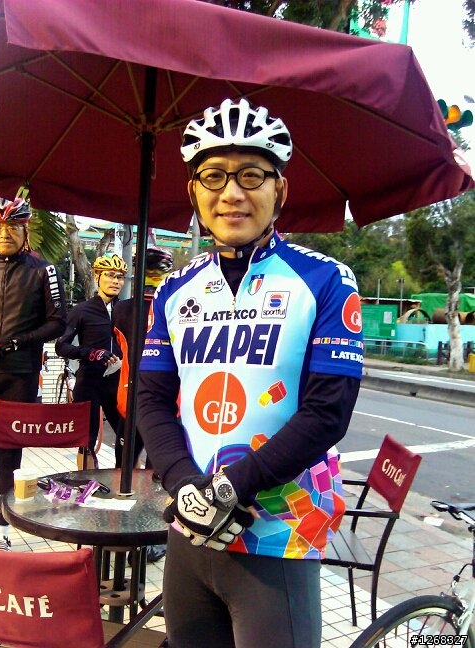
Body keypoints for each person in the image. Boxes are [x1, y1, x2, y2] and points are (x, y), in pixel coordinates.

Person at [136, 97, 364, 648]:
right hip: (190, 526)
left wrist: (233, 486)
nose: (232, 193)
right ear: (193, 191)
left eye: (251, 175)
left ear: (280, 190)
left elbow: (327, 413)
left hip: (278, 533)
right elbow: (150, 398)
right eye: (213, 176)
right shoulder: (174, 288)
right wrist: (184, 484)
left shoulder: (326, 280)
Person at [0, 197, 66, 551]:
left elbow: (58, 322)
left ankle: (1, 530)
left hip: (19, 372)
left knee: (9, 454)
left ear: (25, 230)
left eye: (12, 227)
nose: (4, 234)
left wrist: (21, 341)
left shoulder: (44, 269)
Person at [112, 247, 173, 563]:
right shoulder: (174, 305)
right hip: (161, 400)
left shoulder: (123, 308)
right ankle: (147, 531)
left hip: (138, 398)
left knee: (131, 469)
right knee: (152, 471)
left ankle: (131, 528)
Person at [55, 254, 127, 464]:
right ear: (97, 276)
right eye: (110, 275)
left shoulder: (126, 310)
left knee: (127, 438)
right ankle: (85, 481)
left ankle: (122, 480)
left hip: (118, 383)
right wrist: (91, 352)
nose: (115, 281)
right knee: (86, 441)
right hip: (89, 382)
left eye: (120, 277)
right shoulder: (82, 310)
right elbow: (61, 346)